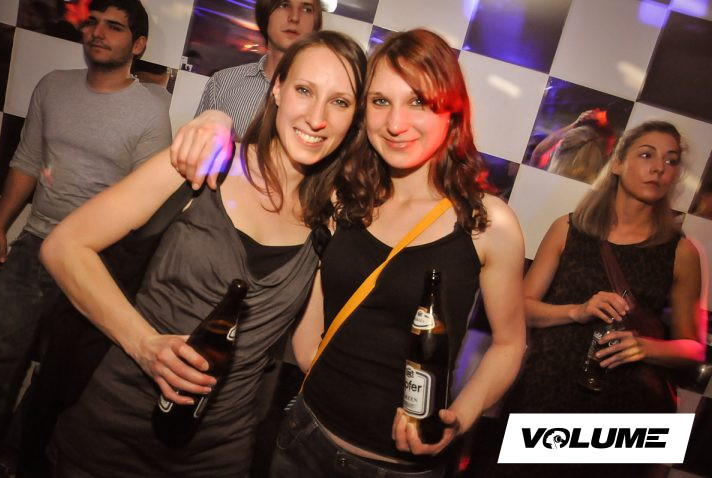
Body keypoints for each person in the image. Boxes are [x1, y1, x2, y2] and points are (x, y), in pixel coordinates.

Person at [40, 30, 366, 476]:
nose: (317, 117)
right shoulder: (202, 163)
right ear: (277, 89)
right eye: (305, 90)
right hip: (111, 434)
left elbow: (309, 350)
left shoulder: (331, 220)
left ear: (354, 118)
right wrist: (144, 344)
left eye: (340, 102)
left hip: (219, 454)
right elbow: (64, 246)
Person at [268, 29, 527, 477]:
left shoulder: (487, 223)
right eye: (381, 101)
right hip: (304, 439)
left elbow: (509, 343)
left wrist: (460, 417)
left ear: (452, 110)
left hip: (400, 469)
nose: (395, 123)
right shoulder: (343, 196)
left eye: (418, 102)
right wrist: (212, 123)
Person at [0, 0, 171, 448]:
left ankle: (19, 457)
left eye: (114, 27)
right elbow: (27, 161)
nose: (97, 32)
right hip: (35, 243)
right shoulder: (53, 85)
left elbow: (148, 204)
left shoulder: (150, 111)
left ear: (138, 44)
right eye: (92, 22)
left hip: (97, 259)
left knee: (59, 376)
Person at [495, 120, 706, 477]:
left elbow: (694, 349)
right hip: (545, 395)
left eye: (671, 161)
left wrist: (645, 347)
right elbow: (520, 310)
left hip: (624, 415)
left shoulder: (682, 252)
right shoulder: (568, 228)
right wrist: (577, 311)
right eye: (647, 155)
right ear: (618, 164)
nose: (659, 168)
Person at [196, 0, 323, 141]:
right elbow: (195, 148)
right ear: (265, 14)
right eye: (284, 5)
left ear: (315, 22)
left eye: (306, 9)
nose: (294, 17)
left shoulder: (325, 96)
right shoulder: (222, 84)